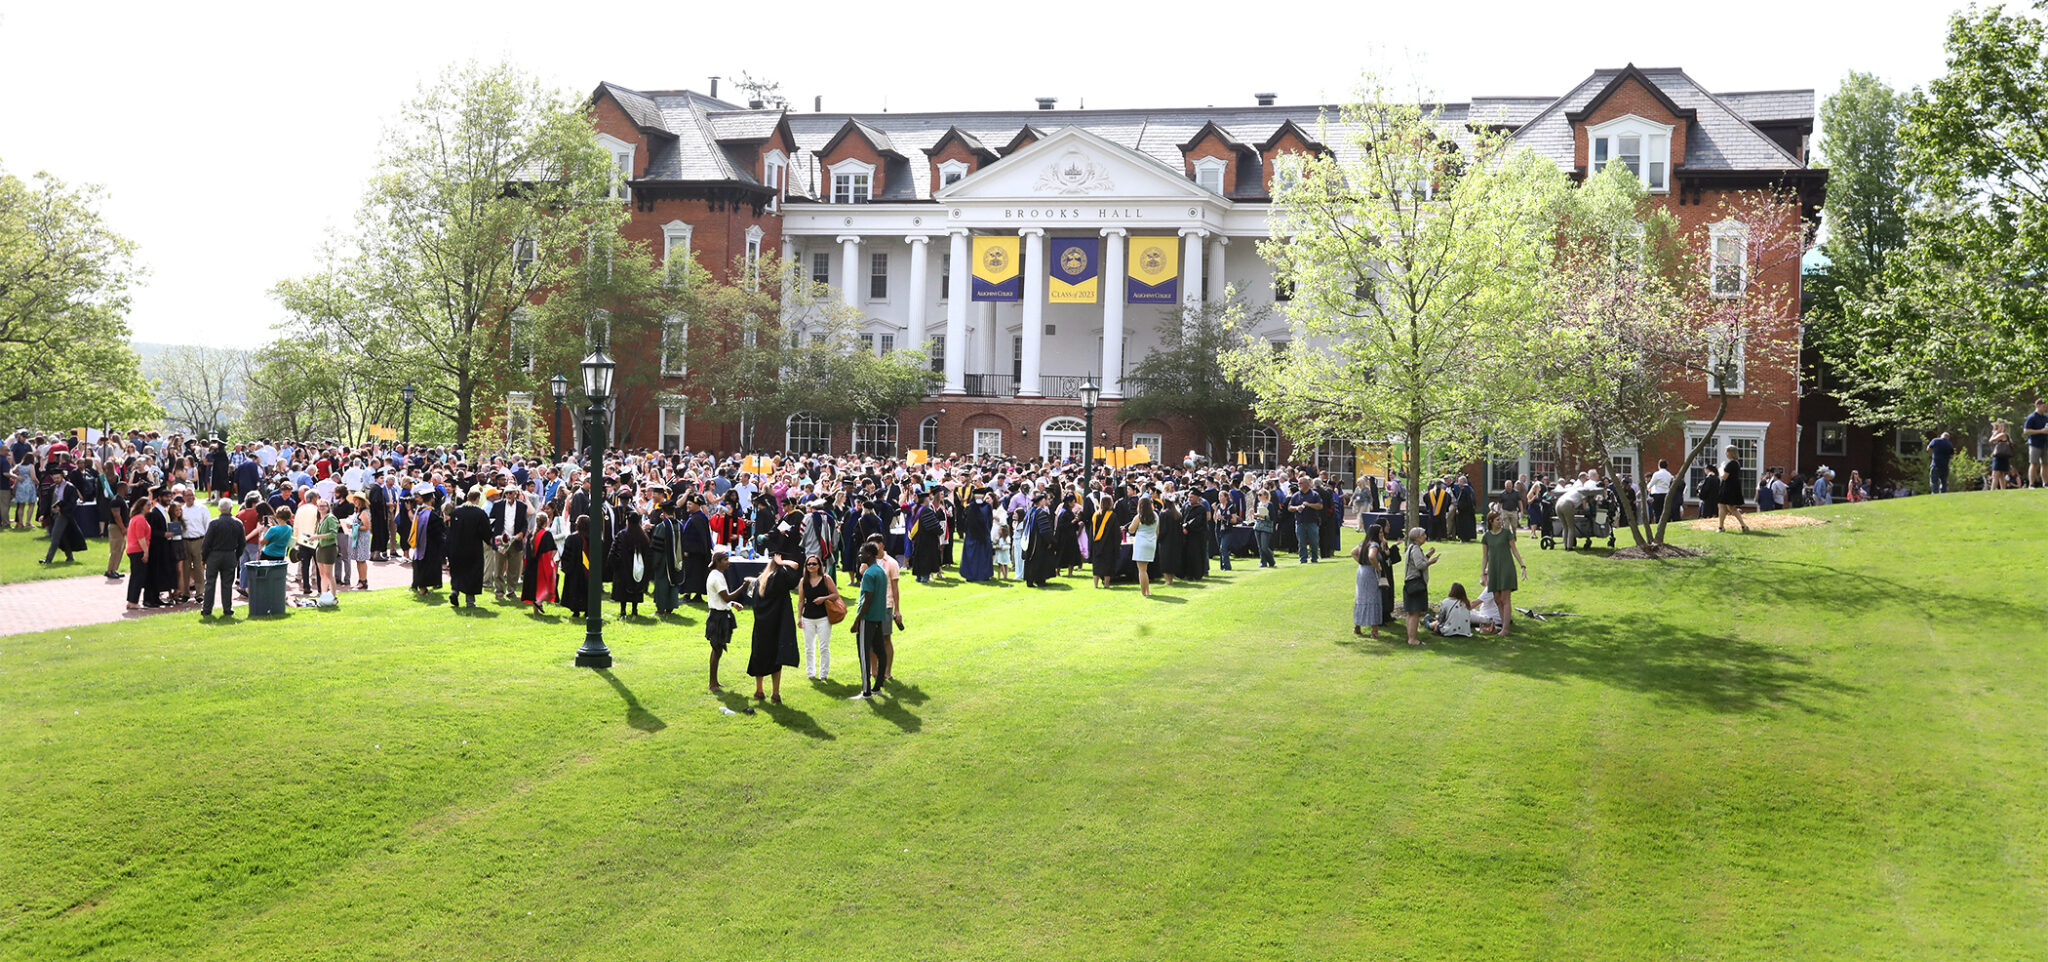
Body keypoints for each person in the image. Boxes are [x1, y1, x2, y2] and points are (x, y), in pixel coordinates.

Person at [746, 554, 802, 704]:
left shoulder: (759, 582)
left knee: (759, 656)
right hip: (777, 624)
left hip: (761, 625)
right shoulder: (780, 578)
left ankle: (759, 690)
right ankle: (775, 693)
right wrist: (783, 562)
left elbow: (753, 602)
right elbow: (795, 565)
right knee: (776, 659)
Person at [1479, 506, 1526, 638]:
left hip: (1506, 568)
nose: (1500, 522)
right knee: (1497, 599)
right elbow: (1485, 556)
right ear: (1491, 522)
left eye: (1500, 519)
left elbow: (1514, 550)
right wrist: (1483, 573)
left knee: (1505, 599)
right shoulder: (1486, 537)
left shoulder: (1506, 534)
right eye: (1497, 520)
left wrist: (1522, 565)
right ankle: (1503, 625)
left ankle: (1506, 629)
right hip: (1494, 570)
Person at [852, 542, 890, 697]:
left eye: (862, 553)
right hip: (878, 617)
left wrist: (857, 620)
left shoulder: (868, 574)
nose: (860, 555)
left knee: (864, 654)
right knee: (880, 651)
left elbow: (867, 599)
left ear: (869, 554)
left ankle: (866, 690)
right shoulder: (880, 571)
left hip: (867, 618)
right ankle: (878, 685)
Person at [444, 489, 491, 608]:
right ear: (477, 499)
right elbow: (486, 531)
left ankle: (455, 590)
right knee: (472, 572)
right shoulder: (479, 513)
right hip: (473, 547)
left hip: (456, 546)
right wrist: (490, 541)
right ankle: (470, 601)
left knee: (457, 570)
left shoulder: (456, 511)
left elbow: (451, 529)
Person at [704, 547, 741, 692]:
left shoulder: (718, 574)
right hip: (717, 616)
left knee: (718, 650)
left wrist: (732, 604)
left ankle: (715, 682)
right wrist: (744, 586)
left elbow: (721, 599)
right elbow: (726, 597)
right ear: (718, 562)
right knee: (716, 649)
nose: (728, 562)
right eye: (725, 560)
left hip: (721, 613)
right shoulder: (715, 577)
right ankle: (712, 684)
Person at [200, 498, 244, 618]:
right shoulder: (238, 523)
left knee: (210, 583)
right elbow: (242, 543)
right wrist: (237, 557)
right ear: (230, 508)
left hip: (214, 555)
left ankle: (207, 609)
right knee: (227, 583)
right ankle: (227, 608)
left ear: (219, 509)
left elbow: (206, 542)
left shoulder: (214, 523)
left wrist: (203, 558)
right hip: (230, 554)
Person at [488, 485, 530, 602]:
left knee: (514, 569)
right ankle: (499, 591)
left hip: (515, 541)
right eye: (506, 493)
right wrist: (493, 538)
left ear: (515, 493)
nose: (508, 495)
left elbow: (524, 523)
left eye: (511, 493)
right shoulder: (498, 505)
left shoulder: (522, 506)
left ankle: (511, 591)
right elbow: (491, 522)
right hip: (501, 541)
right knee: (499, 568)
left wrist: (522, 533)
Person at [798, 554, 836, 681]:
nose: (811, 566)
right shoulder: (803, 581)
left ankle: (823, 674)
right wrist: (799, 618)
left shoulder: (826, 579)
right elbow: (801, 601)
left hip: (824, 617)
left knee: (824, 647)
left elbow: (836, 595)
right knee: (809, 647)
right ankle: (811, 672)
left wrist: (824, 598)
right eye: (809, 564)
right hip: (807, 618)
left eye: (814, 564)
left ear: (819, 565)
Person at [1401, 527, 1439, 646]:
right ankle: (1413, 639)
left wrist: (1427, 555)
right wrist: (1430, 562)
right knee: (1415, 613)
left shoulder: (1411, 548)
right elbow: (1419, 565)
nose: (1425, 536)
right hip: (1416, 583)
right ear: (1417, 537)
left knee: (1410, 612)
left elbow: (1416, 562)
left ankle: (1410, 637)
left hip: (1409, 583)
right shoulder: (1416, 549)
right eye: (1423, 535)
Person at [610, 511, 651, 618]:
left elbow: (613, 553)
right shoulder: (643, 536)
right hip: (638, 568)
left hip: (623, 569)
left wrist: (615, 565)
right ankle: (634, 610)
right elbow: (648, 555)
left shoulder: (622, 534)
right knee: (636, 588)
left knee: (623, 590)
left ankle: (623, 610)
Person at [520, 509, 559, 615]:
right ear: (546, 522)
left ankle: (536, 611)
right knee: (545, 585)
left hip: (531, 565)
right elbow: (553, 551)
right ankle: (539, 602)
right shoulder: (547, 534)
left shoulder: (531, 535)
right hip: (542, 564)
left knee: (534, 588)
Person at [409, 489, 447, 595]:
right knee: (428, 566)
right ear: (431, 499)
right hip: (430, 545)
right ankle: (423, 589)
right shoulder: (431, 514)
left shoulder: (419, 511)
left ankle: (421, 587)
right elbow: (438, 532)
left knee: (420, 564)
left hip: (420, 543)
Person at [1351, 526, 1385, 639]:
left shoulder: (1364, 543)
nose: (1382, 534)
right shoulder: (1374, 545)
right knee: (1373, 598)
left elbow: (1353, 553)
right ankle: (1374, 630)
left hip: (1362, 572)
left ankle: (1357, 626)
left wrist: (1361, 562)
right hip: (1370, 573)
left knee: (1361, 598)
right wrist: (1377, 566)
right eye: (1380, 532)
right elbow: (1371, 556)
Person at [124, 494, 158, 610]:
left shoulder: (135, 518)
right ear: (142, 506)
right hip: (138, 550)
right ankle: (133, 601)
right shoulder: (140, 519)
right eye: (148, 505)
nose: (150, 506)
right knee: (138, 577)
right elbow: (141, 538)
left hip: (133, 550)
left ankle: (131, 600)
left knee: (135, 576)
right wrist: (146, 552)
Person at [1126, 489, 1160, 597]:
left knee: (1142, 570)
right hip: (1151, 543)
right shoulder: (1155, 515)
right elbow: (1157, 531)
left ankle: (1144, 592)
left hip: (1141, 542)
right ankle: (1147, 590)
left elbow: (1131, 530)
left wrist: (1129, 527)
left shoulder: (1139, 517)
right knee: (1145, 569)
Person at [1716, 446, 1751, 533]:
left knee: (1722, 506)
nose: (1726, 453)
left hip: (1728, 488)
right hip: (1733, 487)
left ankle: (1721, 527)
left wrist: (1720, 470)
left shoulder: (1731, 464)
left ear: (1730, 453)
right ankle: (1743, 525)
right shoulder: (1736, 463)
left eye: (1727, 452)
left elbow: (1724, 477)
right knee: (1731, 508)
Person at [561, 515, 590, 617]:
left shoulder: (572, 538)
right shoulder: (593, 538)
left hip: (574, 571)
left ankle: (576, 610)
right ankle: (587, 610)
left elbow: (566, 556)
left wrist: (567, 567)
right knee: (587, 589)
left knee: (575, 589)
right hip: (588, 571)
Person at [1289, 482, 1322, 563]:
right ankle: (1303, 559)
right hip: (1300, 522)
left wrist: (1309, 505)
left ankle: (1314, 558)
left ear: (1306, 484)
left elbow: (1320, 506)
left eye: (1301, 483)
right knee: (1301, 542)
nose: (1299, 485)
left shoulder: (1314, 494)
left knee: (1314, 542)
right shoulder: (1296, 495)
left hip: (1312, 522)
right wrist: (1296, 508)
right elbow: (1289, 507)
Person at [2026, 399, 2048, 489]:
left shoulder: (2046, 418)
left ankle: (2045, 483)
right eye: (2044, 406)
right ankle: (2031, 484)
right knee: (2034, 464)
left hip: (2045, 444)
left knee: (2045, 464)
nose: (2045, 408)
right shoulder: (2031, 417)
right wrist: (2041, 431)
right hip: (2034, 444)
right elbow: (2026, 430)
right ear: (2038, 406)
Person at [1647, 459, 1675, 525]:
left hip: (1657, 495)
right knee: (1665, 512)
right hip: (1666, 494)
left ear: (1659, 465)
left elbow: (1650, 484)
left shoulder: (1657, 474)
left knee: (1657, 512)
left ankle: (1658, 525)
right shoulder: (1669, 474)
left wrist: (1648, 487)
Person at [1988, 422, 2014, 490]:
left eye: (1999, 427)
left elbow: (1991, 440)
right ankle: (2003, 490)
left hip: (1999, 457)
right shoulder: (2007, 435)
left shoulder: (2002, 434)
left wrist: (1995, 432)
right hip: (2003, 456)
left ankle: (1992, 490)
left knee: (1995, 474)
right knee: (2001, 475)